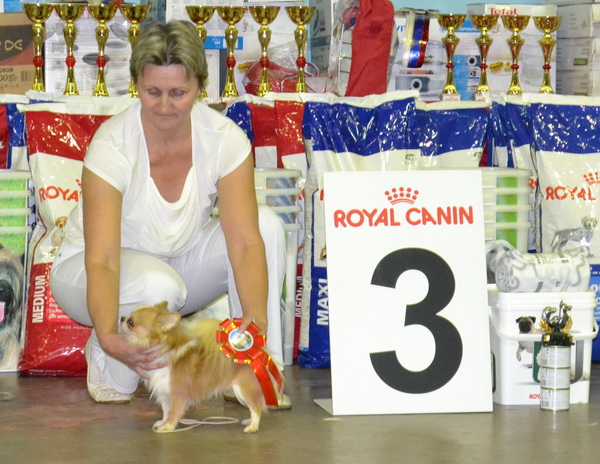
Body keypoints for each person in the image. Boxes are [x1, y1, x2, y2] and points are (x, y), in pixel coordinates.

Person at [49, 20, 287, 405]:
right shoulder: (112, 144)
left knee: (267, 226)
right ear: (136, 85)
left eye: (178, 93)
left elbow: (244, 244)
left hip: (176, 263)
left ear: (200, 87)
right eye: (152, 92)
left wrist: (255, 322)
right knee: (156, 288)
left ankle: (254, 368)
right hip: (88, 270)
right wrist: (109, 336)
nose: (164, 106)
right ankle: (104, 356)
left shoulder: (224, 138)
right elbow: (104, 259)